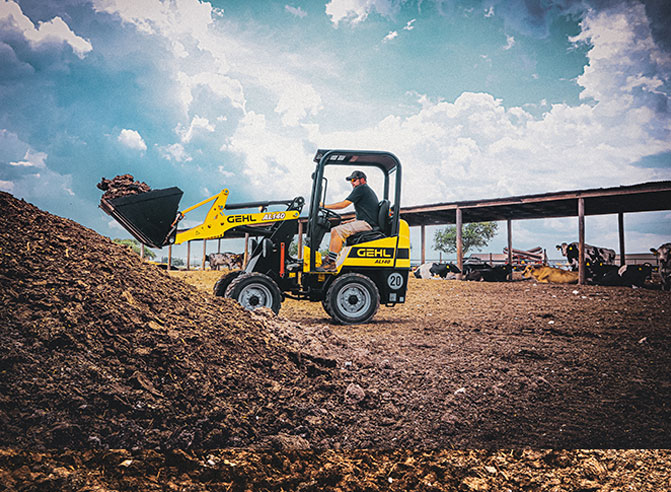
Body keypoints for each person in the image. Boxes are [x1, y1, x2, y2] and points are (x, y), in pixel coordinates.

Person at [318, 170, 379, 271]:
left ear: (362, 180)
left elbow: (344, 204)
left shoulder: (361, 188)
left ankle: (331, 262)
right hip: (367, 222)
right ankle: (331, 259)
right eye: (351, 181)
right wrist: (350, 221)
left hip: (367, 224)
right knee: (339, 228)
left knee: (336, 231)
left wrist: (324, 206)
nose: (352, 183)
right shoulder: (365, 190)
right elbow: (367, 213)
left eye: (354, 180)